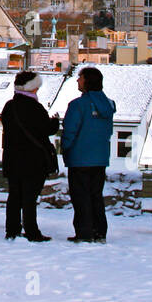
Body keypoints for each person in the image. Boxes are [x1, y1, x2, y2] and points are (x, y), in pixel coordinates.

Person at [0, 71, 59, 242]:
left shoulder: (9, 106)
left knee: (14, 196)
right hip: (33, 160)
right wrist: (55, 122)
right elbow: (46, 130)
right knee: (29, 198)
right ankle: (32, 231)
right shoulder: (35, 107)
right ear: (32, 88)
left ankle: (12, 230)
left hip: (12, 159)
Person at [61, 66, 116, 243]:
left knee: (81, 197)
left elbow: (70, 131)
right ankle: (99, 232)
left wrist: (65, 149)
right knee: (96, 196)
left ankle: (84, 233)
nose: (77, 80)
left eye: (80, 78)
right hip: (100, 159)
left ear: (87, 81)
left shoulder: (78, 105)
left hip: (79, 158)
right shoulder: (108, 105)